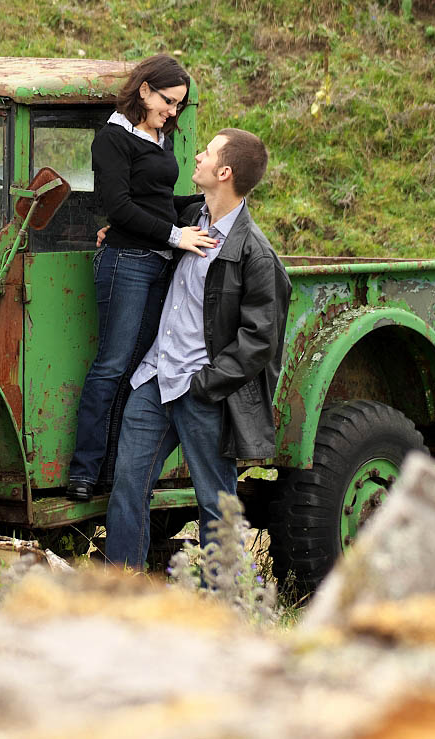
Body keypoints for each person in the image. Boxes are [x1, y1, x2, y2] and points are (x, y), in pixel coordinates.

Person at [104, 128, 292, 568]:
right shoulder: (189, 216)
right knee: (128, 487)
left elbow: (260, 340)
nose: (198, 157)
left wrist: (206, 384)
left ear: (223, 172)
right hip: (154, 379)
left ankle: (220, 606)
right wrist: (114, 234)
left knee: (216, 503)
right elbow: (140, 218)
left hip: (200, 389)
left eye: (206, 153)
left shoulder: (255, 254)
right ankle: (119, 593)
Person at [67, 54, 216, 502]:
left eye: (178, 106)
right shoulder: (113, 138)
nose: (172, 112)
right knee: (111, 366)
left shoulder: (160, 137)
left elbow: (157, 201)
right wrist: (175, 235)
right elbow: (119, 207)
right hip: (126, 262)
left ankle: (116, 474)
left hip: (158, 262)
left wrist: (216, 201)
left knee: (136, 369)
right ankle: (84, 471)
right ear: (145, 90)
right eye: (168, 102)